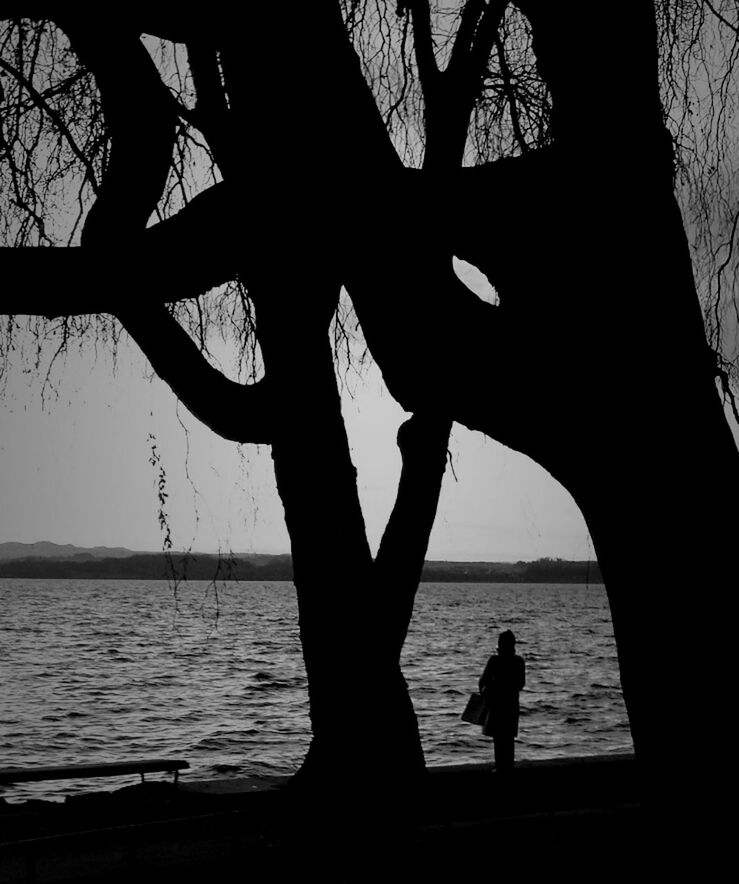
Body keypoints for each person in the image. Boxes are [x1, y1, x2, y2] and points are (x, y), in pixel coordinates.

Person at [479, 630, 525, 773]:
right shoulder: (518, 661)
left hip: (496, 705)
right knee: (508, 739)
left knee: (498, 740)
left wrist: (489, 689)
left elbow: (482, 682)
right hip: (511, 705)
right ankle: (508, 768)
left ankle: (500, 768)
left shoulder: (494, 660)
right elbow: (520, 684)